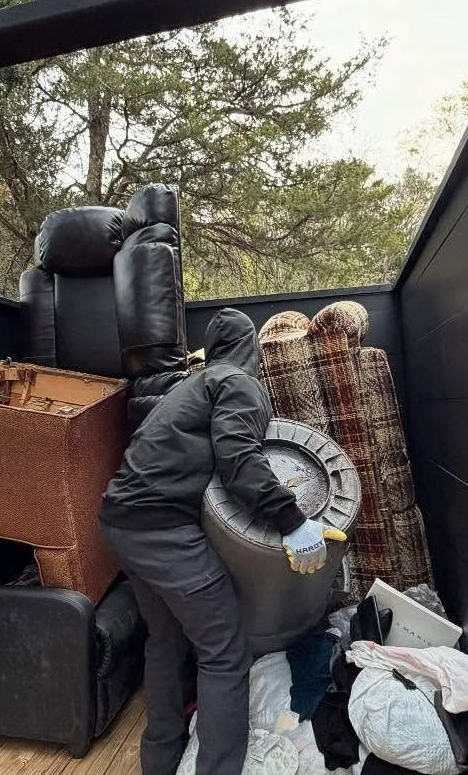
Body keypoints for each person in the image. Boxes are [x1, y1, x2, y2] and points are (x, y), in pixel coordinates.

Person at [99, 308, 347, 775]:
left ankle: (161, 760)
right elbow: (238, 459)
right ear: (248, 348)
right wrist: (293, 521)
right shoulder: (238, 383)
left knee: (167, 640)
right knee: (224, 651)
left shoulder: (186, 388)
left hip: (121, 521)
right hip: (160, 528)